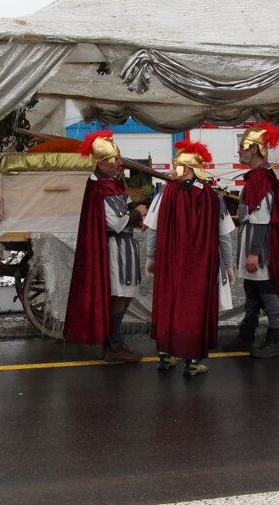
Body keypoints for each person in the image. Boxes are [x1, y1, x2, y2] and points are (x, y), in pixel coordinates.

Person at [145, 140, 235, 377]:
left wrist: (151, 258)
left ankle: (165, 354)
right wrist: (229, 265)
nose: (172, 170)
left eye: (176, 166)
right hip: (199, 267)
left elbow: (153, 229)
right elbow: (224, 235)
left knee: (169, 304)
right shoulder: (212, 197)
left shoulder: (164, 193)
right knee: (194, 308)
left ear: (185, 168)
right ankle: (193, 360)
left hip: (170, 262)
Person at [64, 130, 148, 363]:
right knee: (120, 294)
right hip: (115, 250)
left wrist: (136, 212)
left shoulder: (109, 184)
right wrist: (137, 213)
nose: (120, 163)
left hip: (120, 248)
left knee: (124, 295)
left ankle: (113, 343)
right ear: (101, 163)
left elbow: (124, 207)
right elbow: (117, 222)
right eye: (115, 160)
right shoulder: (102, 188)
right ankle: (114, 346)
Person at [223, 122, 279, 358]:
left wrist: (254, 252)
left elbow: (261, 219)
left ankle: (275, 339)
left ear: (255, 149)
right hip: (254, 240)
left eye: (243, 147)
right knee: (252, 287)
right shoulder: (256, 177)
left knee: (266, 288)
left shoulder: (261, 178)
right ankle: (247, 335)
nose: (239, 151)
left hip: (261, 245)